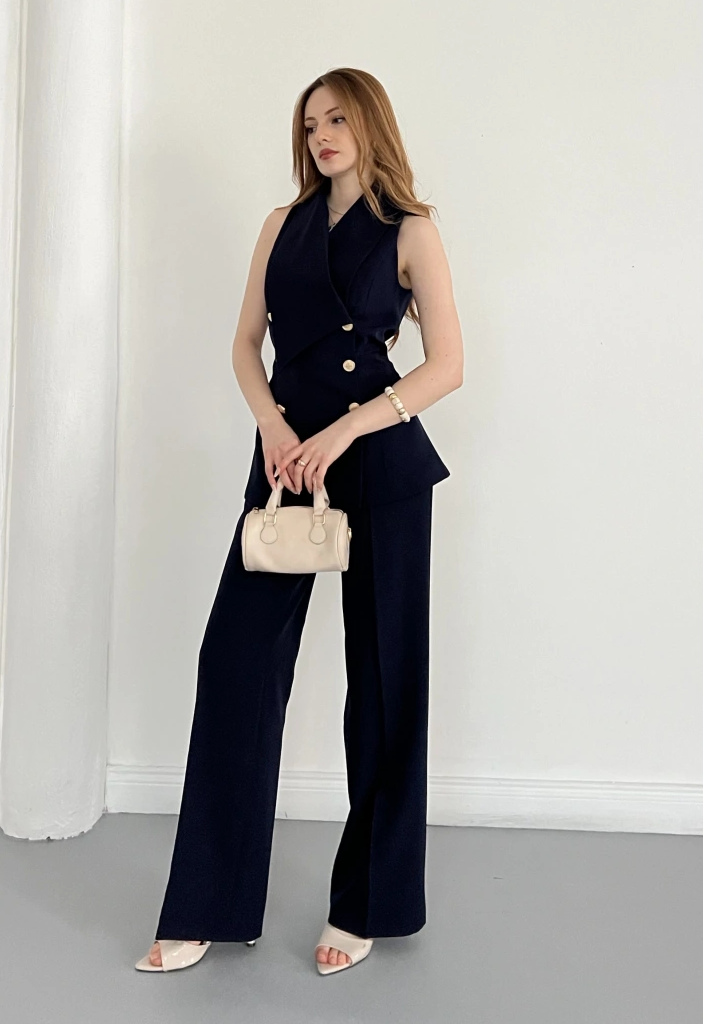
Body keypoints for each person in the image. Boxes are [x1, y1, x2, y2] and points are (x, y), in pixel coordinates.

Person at [137, 67, 464, 975]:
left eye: (339, 119)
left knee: (385, 682)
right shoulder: (280, 225)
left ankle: (366, 905)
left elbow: (447, 364)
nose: (322, 134)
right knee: (235, 664)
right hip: (286, 463)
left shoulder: (412, 230)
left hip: (379, 461)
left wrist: (348, 429)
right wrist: (277, 429)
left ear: (371, 125)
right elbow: (246, 344)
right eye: (312, 121)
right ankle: (206, 906)